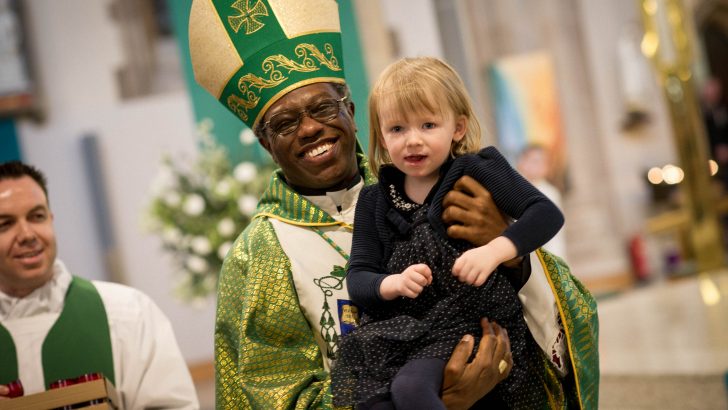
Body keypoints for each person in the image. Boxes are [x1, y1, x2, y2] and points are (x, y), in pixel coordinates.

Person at [188, 1, 599, 408]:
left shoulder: (440, 185)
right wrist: (442, 397)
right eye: (285, 123)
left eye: (322, 108)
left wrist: (511, 256)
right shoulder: (257, 254)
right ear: (266, 144)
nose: (310, 128)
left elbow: (572, 307)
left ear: (349, 111)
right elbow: (275, 397)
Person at [330, 57, 563, 409]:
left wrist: (494, 250)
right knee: (372, 401)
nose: (412, 141)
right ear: (380, 135)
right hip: (405, 328)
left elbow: (545, 213)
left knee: (410, 390)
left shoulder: (476, 169)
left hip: (467, 317)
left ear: (457, 127)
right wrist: (391, 283)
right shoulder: (375, 199)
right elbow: (359, 276)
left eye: (427, 125)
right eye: (397, 129)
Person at [0, 161, 199, 409]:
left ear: (51, 220)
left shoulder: (128, 312)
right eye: (5, 224)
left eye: (36, 216)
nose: (28, 234)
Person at [516, 144, 567, 258]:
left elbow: (556, 234)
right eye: (534, 161)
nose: (539, 166)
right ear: (522, 162)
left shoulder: (550, 193)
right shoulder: (512, 188)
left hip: (545, 254)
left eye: (544, 162)